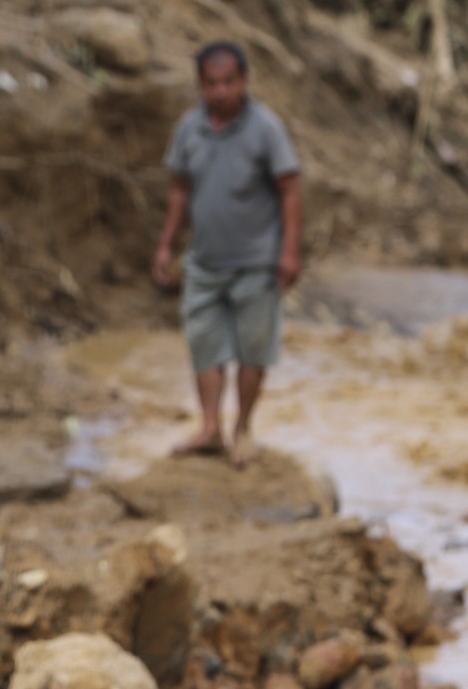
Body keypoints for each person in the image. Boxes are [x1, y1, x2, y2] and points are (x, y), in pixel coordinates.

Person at [152, 40, 303, 468]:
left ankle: (243, 428)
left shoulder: (265, 128)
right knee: (205, 346)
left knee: (254, 352)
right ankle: (210, 427)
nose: (220, 91)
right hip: (205, 261)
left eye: (229, 82)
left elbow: (289, 190)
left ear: (245, 81)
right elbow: (179, 190)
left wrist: (289, 252)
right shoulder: (189, 129)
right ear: (200, 85)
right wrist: (166, 244)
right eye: (212, 83)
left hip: (257, 261)